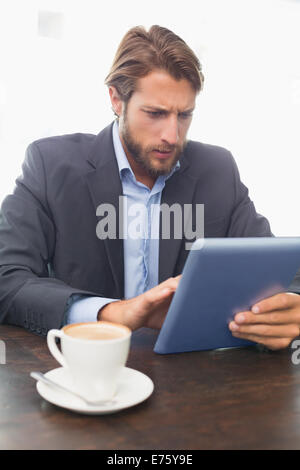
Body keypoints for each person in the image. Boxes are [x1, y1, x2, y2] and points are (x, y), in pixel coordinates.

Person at [0, 25, 299, 350]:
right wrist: (111, 312)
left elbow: (280, 270)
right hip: (83, 369)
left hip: (191, 377)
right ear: (116, 99)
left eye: (184, 115)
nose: (172, 135)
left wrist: (291, 304)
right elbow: (7, 278)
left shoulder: (218, 169)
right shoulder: (50, 164)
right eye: (155, 113)